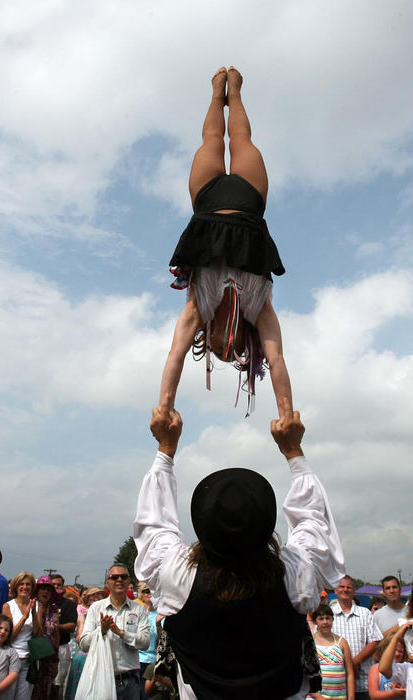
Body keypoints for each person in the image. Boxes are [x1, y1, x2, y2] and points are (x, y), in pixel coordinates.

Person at [135, 408, 345, 699]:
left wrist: (165, 449)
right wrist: (293, 451)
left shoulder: (177, 576)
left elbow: (154, 523)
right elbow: (314, 522)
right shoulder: (294, 575)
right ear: (265, 524)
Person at [158, 66, 293, 420]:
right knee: (243, 139)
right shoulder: (257, 309)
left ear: (209, 338)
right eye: (235, 350)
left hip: (208, 204)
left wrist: (165, 407)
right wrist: (286, 414)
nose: (229, 344)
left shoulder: (197, 308)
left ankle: (217, 93)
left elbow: (175, 354)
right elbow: (276, 358)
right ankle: (236, 92)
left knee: (212, 141)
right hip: (248, 204)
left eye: (221, 348)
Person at [80, 565, 150, 700]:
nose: (119, 580)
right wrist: (102, 630)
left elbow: (145, 643)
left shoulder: (138, 609)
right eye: (114, 577)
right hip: (102, 679)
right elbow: (83, 644)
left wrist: (122, 633)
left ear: (129, 581)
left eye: (123, 577)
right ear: (107, 583)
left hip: (131, 679)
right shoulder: (96, 608)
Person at [331, 574, 381, 700]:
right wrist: (346, 667)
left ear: (354, 591)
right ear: (335, 590)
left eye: (349, 587)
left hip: (364, 682)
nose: (345, 590)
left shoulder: (365, 613)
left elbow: (374, 642)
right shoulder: (328, 614)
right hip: (335, 684)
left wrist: (353, 663)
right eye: (341, 587)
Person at [1, 570, 38, 697]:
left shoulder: (37, 606)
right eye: (21, 584)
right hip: (11, 657)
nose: (25, 587)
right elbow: (8, 637)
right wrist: (24, 617)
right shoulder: (8, 606)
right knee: (8, 695)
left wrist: (33, 613)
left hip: (28, 658)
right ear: (16, 586)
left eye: (28, 584)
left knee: (23, 696)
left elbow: (38, 634)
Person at [312, 602, 355, 700]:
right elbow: (305, 676)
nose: (325, 622)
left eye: (328, 618)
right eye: (321, 619)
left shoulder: (342, 642)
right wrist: (317, 696)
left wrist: (351, 697)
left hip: (339, 696)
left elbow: (350, 673)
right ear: (315, 622)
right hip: (316, 697)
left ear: (332, 619)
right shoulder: (310, 643)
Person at [31, 575, 61, 700]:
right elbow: (36, 630)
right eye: (42, 589)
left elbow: (56, 632)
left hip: (49, 654)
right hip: (34, 654)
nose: (45, 592)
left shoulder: (53, 608)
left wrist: (56, 659)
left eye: (48, 589)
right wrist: (39, 610)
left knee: (46, 689)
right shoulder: (32, 605)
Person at [50, 573, 79, 696]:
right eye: (53, 584)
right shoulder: (43, 602)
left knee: (57, 685)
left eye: (59, 585)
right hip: (43, 648)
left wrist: (54, 627)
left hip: (61, 647)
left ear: (63, 587)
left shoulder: (68, 604)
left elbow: (72, 626)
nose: (56, 587)